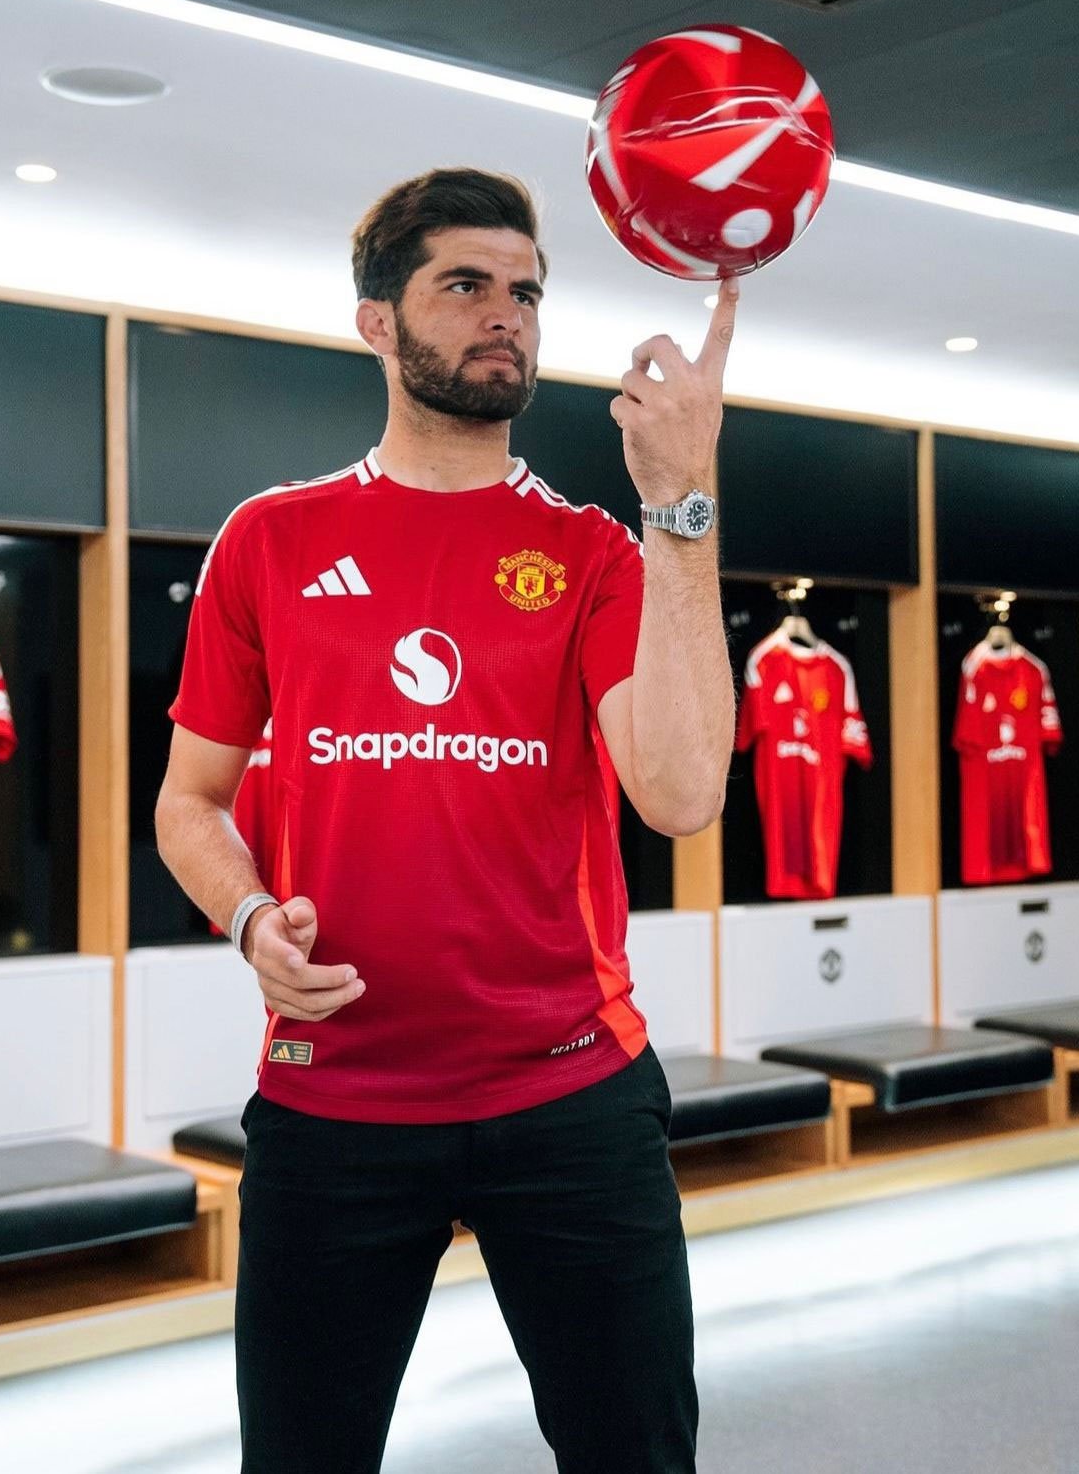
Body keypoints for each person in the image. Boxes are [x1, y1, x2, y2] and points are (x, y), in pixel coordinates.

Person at [155, 167, 738, 1474]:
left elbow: (682, 792)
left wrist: (679, 504)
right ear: (377, 320)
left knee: (635, 1455)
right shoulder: (270, 540)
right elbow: (189, 804)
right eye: (464, 284)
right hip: (332, 1105)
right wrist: (249, 918)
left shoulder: (594, 551)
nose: (505, 315)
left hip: (570, 1097)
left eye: (525, 290)